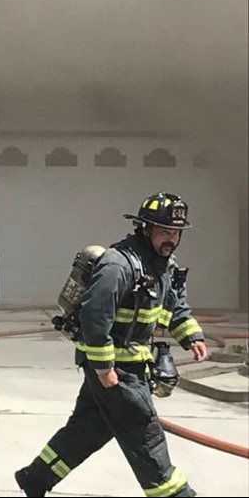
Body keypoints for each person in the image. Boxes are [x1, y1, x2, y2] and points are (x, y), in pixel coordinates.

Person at [15, 193, 207, 497]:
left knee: (88, 429)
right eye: (165, 231)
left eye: (176, 233)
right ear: (146, 229)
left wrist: (191, 336)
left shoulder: (164, 265)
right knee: (146, 437)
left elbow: (175, 303)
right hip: (118, 370)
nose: (171, 238)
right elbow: (95, 314)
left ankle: (36, 477)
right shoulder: (118, 264)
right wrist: (104, 368)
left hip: (133, 363)